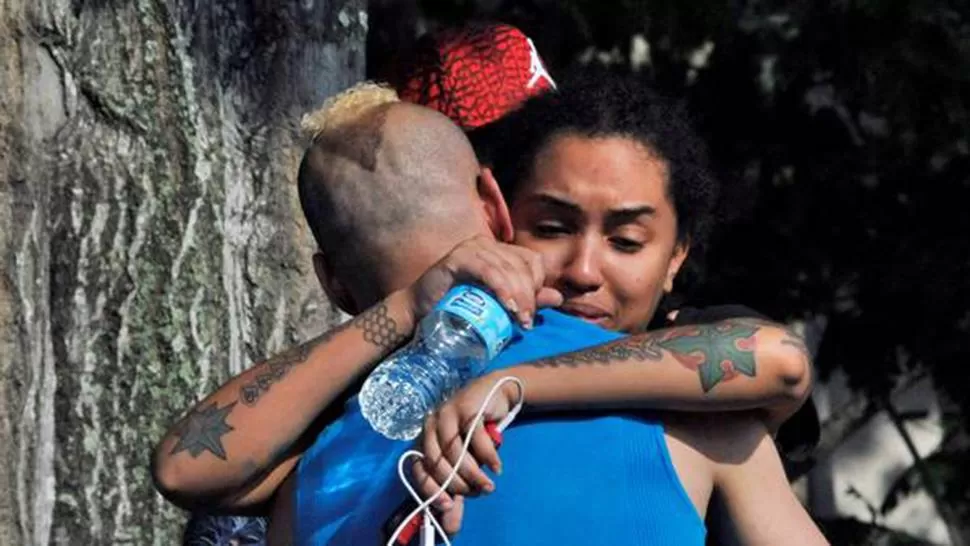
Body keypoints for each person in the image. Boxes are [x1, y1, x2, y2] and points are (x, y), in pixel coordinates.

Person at [152, 79, 823, 544]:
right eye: (555, 226)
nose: (583, 271)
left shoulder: (311, 469)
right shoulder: (702, 421)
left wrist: (492, 382)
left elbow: (185, 469)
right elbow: (780, 361)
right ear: (499, 209)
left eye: (625, 239)